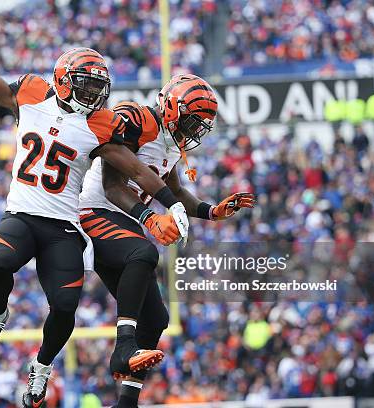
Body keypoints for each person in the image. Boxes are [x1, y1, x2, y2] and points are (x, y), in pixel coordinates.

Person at [0, 22, 189, 408]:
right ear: (63, 79)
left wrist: (173, 200)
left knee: (65, 309)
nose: (92, 92)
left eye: (97, 86)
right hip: (22, 212)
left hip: (64, 227)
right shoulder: (33, 93)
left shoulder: (100, 124)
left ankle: (42, 366)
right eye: (84, 83)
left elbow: (135, 169)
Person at [78, 74, 255, 407]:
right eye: (192, 121)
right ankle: (123, 345)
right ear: (173, 106)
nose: (194, 131)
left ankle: (127, 402)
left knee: (157, 319)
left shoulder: (171, 143)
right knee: (144, 253)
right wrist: (149, 218)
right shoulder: (137, 120)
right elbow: (113, 186)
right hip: (93, 210)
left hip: (123, 221)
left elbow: (174, 191)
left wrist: (211, 211)